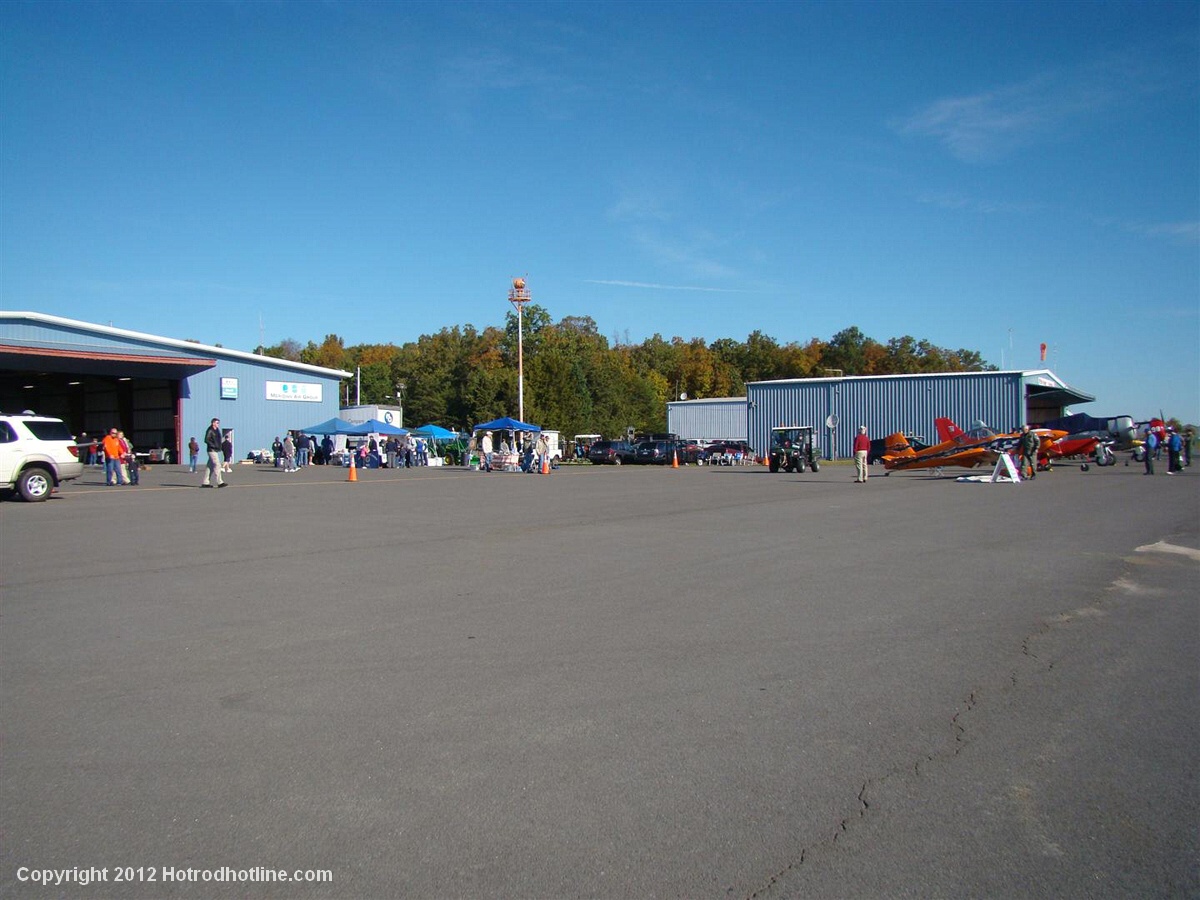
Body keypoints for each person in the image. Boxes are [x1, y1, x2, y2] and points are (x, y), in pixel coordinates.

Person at [201, 418, 226, 488]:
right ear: (213, 423)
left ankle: (205, 482)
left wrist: (220, 447)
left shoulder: (217, 430)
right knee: (217, 464)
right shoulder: (210, 430)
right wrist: (214, 446)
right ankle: (220, 482)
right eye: (217, 423)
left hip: (215, 450)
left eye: (218, 423)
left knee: (210, 466)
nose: (218, 424)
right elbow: (206, 440)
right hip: (211, 450)